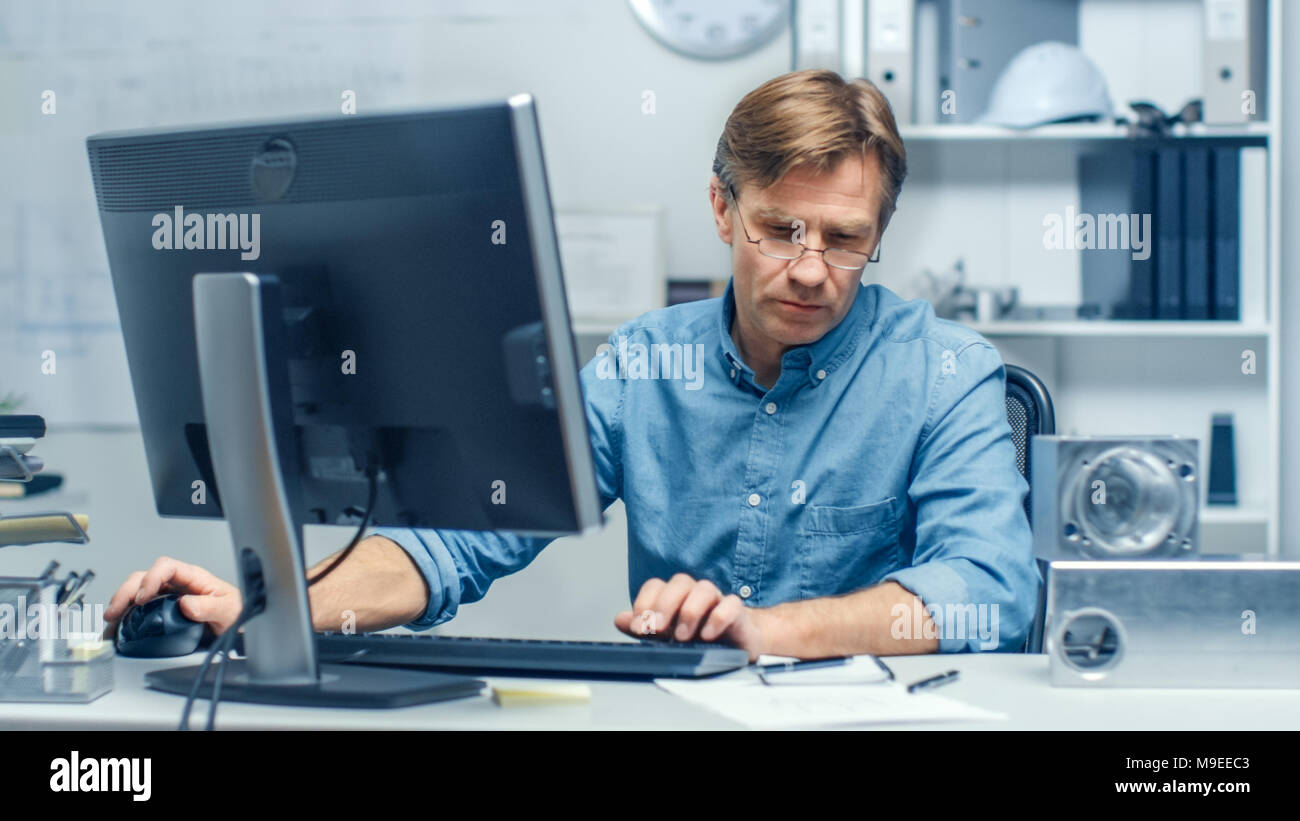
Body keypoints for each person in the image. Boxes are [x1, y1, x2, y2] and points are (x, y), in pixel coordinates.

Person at [106, 70, 1038, 660]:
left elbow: (990, 595)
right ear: (722, 209)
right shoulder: (641, 367)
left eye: (844, 240)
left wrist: (774, 629)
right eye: (778, 229)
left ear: (878, 237)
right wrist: (264, 604)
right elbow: (462, 538)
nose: (808, 268)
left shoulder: (947, 372)